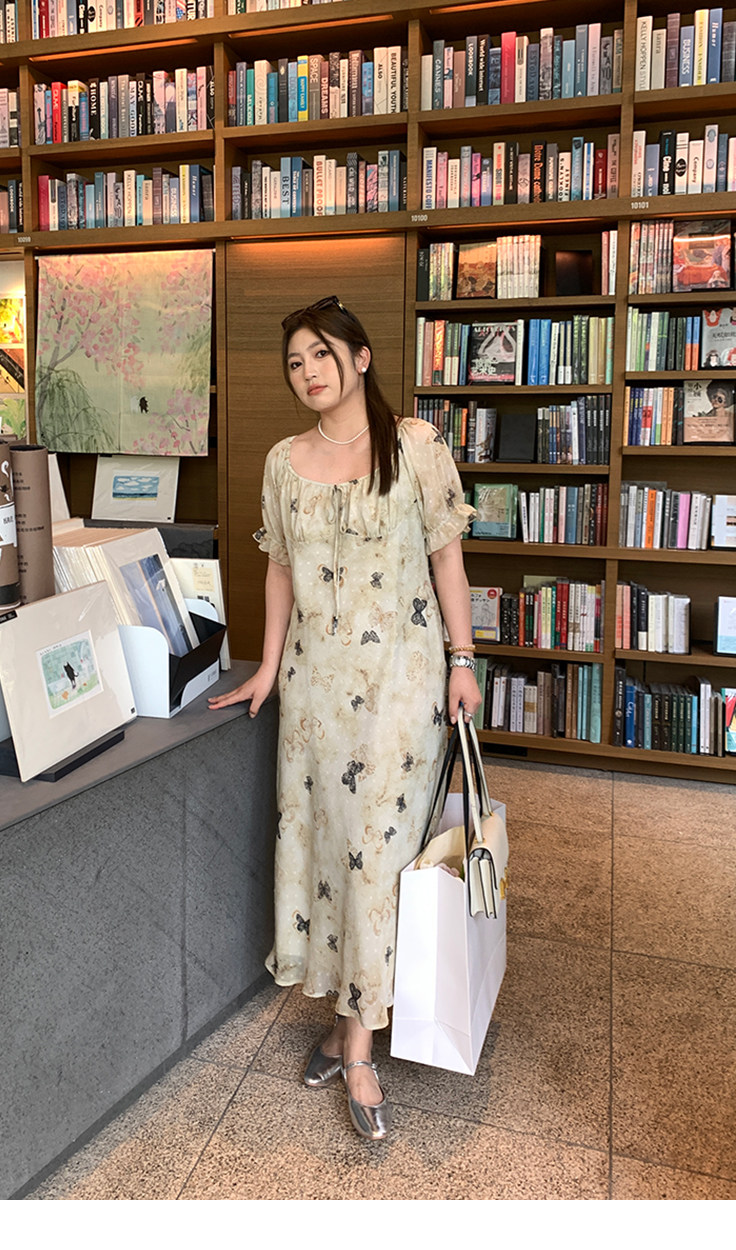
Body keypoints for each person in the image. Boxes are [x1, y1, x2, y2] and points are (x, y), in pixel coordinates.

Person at [208, 296, 481, 1141]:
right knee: (329, 851)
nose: (308, 372)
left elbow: (447, 559)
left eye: (321, 354)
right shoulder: (283, 462)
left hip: (400, 688)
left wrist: (463, 660)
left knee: (376, 857)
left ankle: (358, 1045)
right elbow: (279, 571)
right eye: (295, 362)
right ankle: (344, 1019)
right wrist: (266, 666)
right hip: (315, 694)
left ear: (361, 358)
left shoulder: (417, 446)